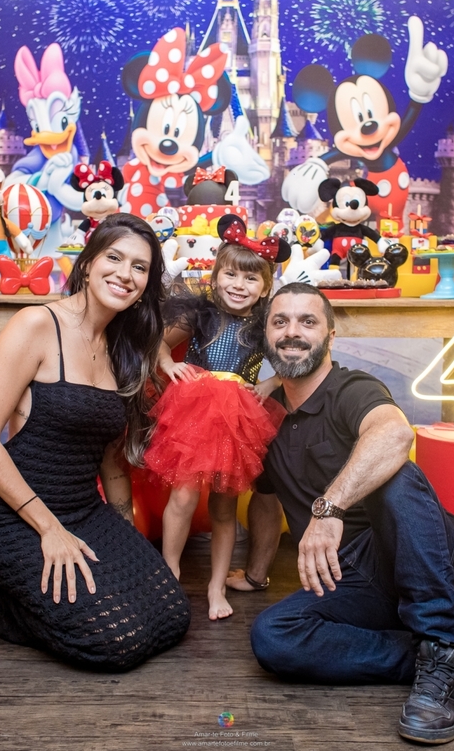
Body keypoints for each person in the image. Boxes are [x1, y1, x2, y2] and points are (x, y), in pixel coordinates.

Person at [232, 282, 454, 744]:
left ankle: (441, 641)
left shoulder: (352, 388)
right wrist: (258, 575)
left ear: (330, 336)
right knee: (273, 637)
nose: (292, 332)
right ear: (267, 336)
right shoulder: (267, 412)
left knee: (397, 476)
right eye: (281, 322)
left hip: (415, 555)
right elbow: (266, 497)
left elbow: (395, 435)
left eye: (307, 321)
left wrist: (329, 508)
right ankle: (451, 655)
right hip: (345, 579)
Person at [0, 213, 191, 672]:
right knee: (114, 642)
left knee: (171, 613)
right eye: (114, 258)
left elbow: (111, 461)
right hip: (11, 516)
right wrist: (50, 531)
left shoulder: (124, 347)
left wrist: (127, 542)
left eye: (140, 267)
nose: (125, 274)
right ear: (87, 263)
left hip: (82, 510)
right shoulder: (36, 325)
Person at [145, 217, 288, 622]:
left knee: (225, 509)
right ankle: (169, 572)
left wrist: (271, 382)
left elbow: (295, 359)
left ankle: (216, 586)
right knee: (184, 496)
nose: (239, 285)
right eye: (231, 274)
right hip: (194, 407)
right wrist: (166, 364)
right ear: (215, 275)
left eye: (251, 278)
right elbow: (159, 344)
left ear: (265, 287)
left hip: (238, 416)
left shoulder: (266, 322)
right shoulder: (200, 312)